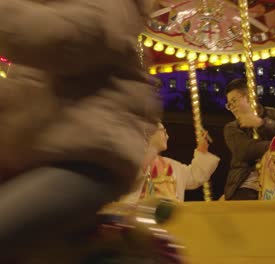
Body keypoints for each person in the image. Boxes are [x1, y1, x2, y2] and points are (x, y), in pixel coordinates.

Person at [0, 0, 161, 255]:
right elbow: (23, 98)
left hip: (87, 159)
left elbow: (70, 38)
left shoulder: (114, 7)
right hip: (35, 157)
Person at [223, 78, 275, 200]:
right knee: (244, 203)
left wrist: (262, 124)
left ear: (249, 97)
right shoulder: (232, 128)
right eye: (229, 105)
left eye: (234, 101)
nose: (232, 107)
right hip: (248, 180)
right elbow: (244, 150)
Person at [122, 121, 220, 202]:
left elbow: (193, 176)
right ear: (150, 132)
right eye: (164, 131)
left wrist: (201, 151)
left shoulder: (170, 165)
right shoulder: (129, 161)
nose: (167, 136)